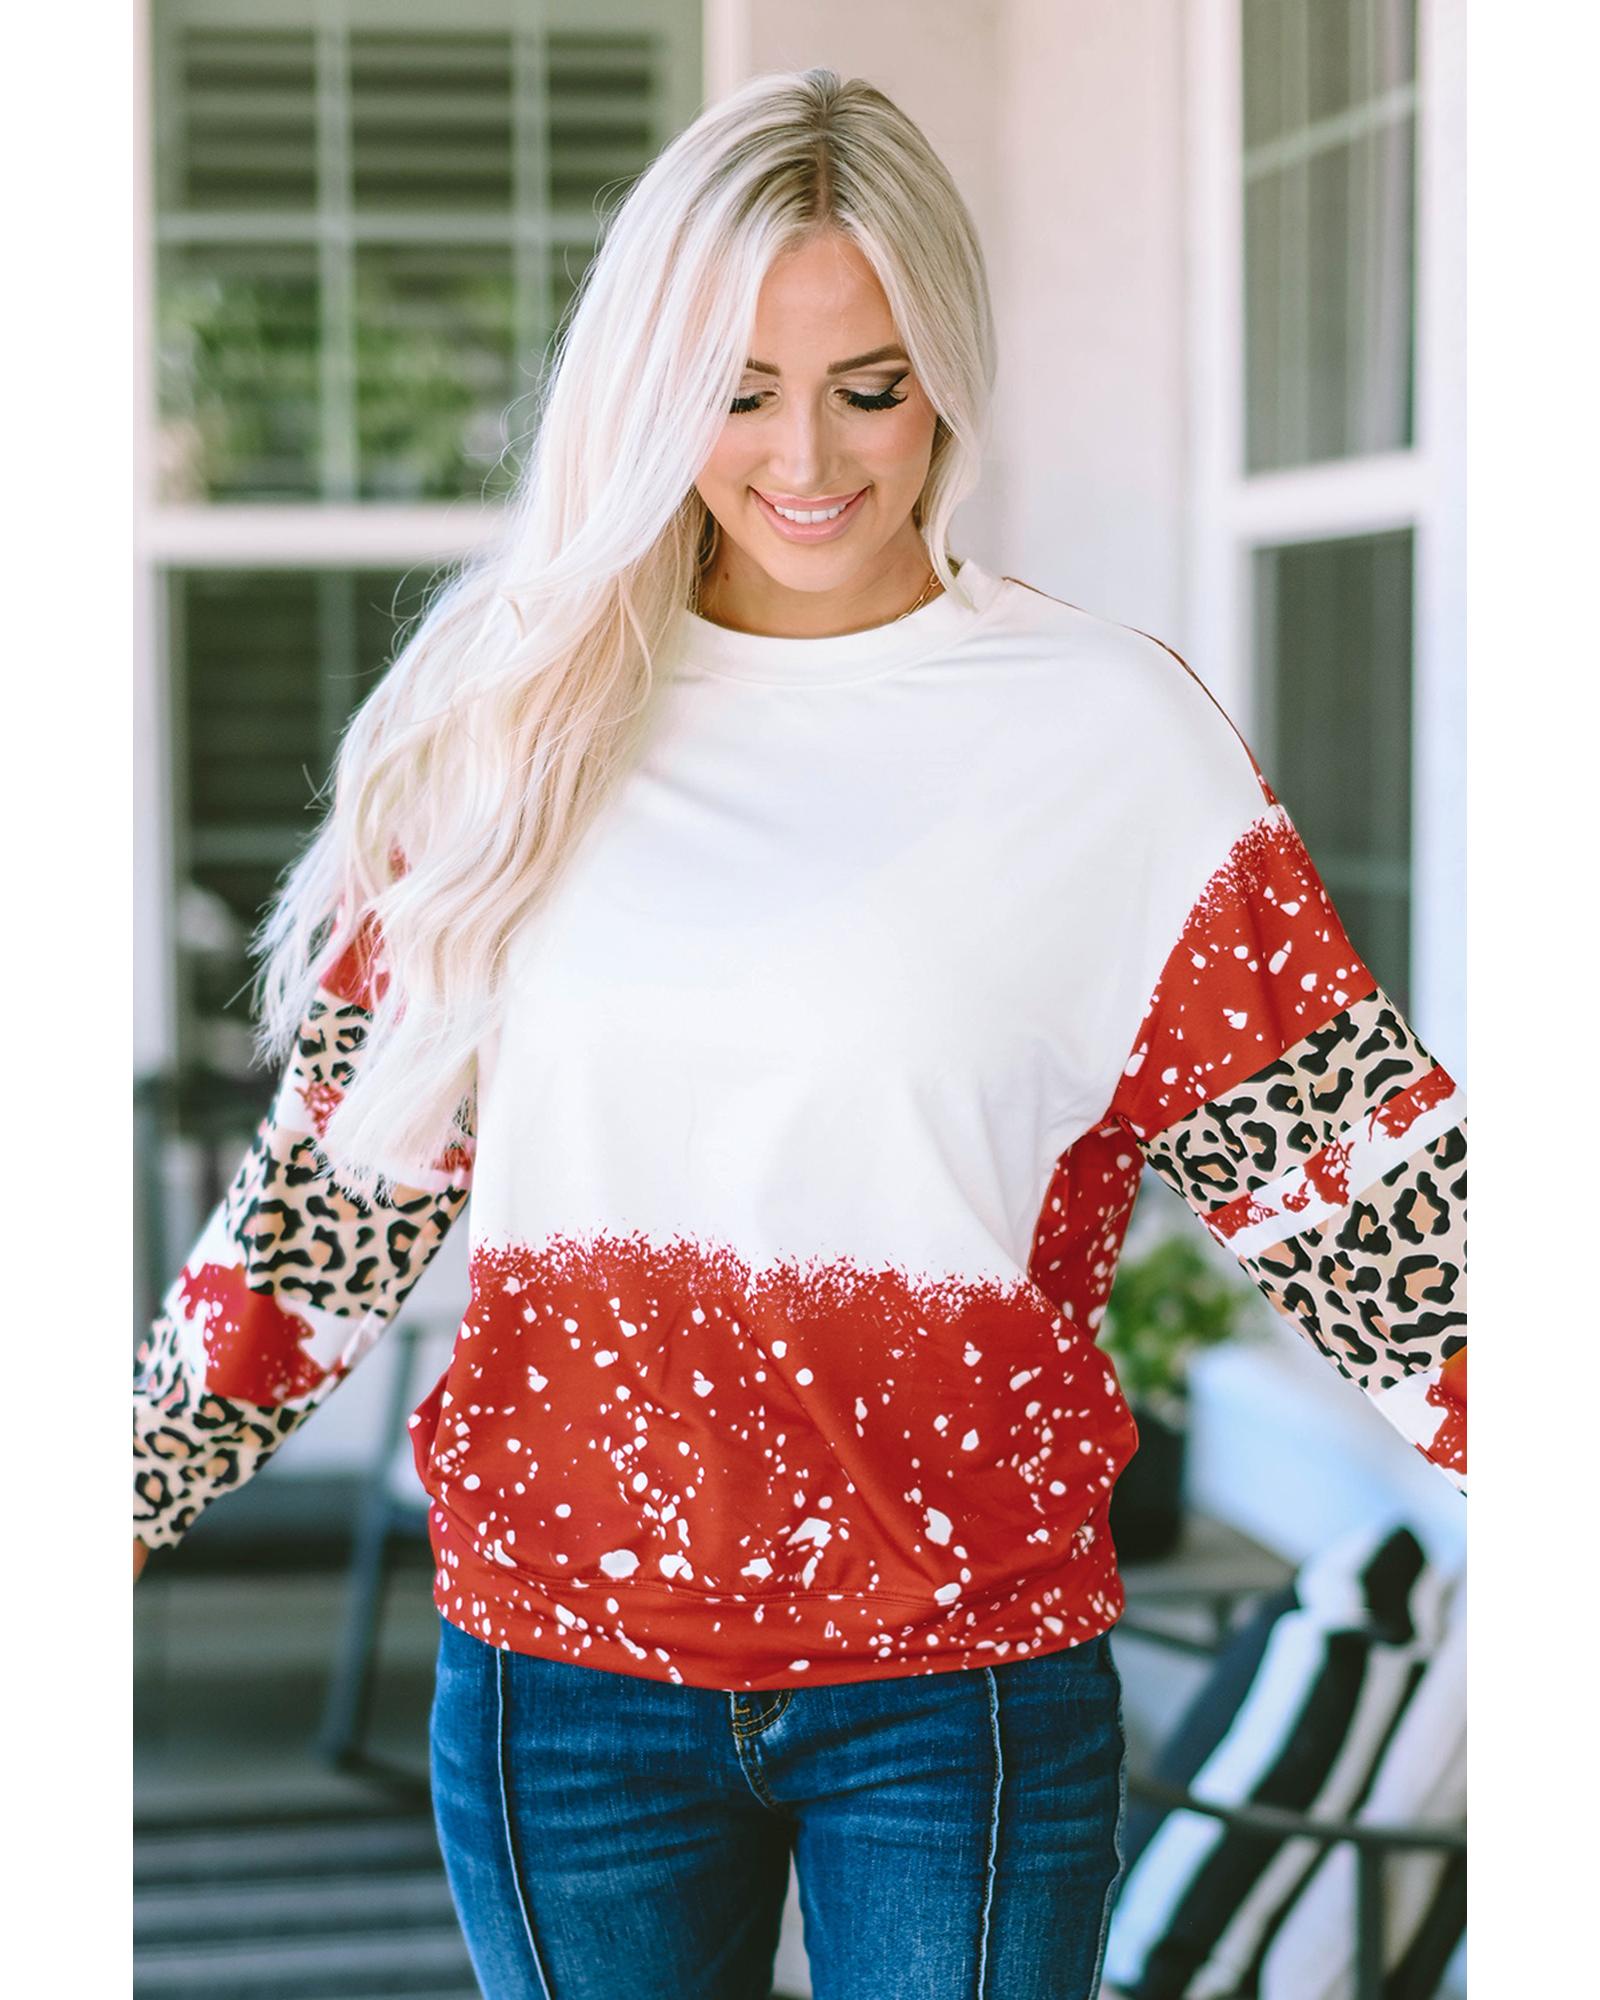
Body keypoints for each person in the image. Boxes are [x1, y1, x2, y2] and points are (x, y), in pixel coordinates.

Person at [132, 66, 1467, 2000]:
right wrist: (124, 1487)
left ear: (949, 379)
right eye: (740, 389)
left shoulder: (1110, 740)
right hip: (564, 1682)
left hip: (960, 1684)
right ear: (650, 390)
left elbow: (1371, 1205)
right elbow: (337, 1200)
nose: (810, 458)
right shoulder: (508, 732)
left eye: (871, 383)